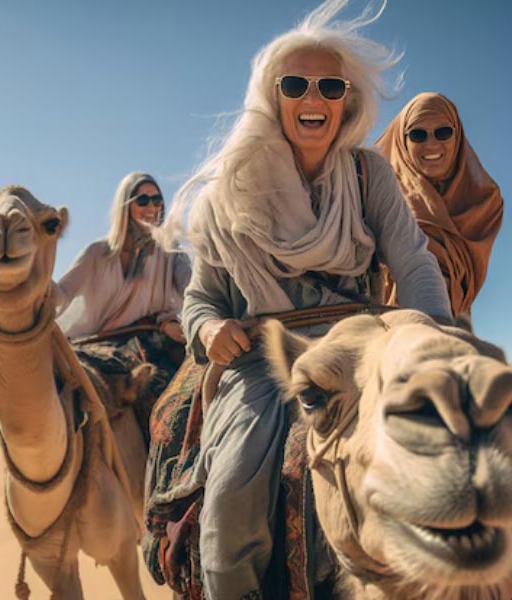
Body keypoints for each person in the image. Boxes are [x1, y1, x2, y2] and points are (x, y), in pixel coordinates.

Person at [155, 1, 453, 597]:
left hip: (357, 344)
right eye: (296, 84)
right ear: (273, 96)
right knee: (235, 490)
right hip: (267, 355)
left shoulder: (369, 174)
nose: (312, 97)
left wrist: (435, 334)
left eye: (329, 85)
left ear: (347, 100)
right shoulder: (226, 192)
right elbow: (202, 299)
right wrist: (211, 330)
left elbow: (413, 259)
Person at [56, 172, 190, 437]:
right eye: (143, 200)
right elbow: (61, 293)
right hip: (99, 344)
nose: (152, 208)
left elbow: (193, 285)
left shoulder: (169, 250)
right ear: (125, 205)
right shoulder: (98, 253)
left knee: (186, 396)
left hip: (153, 341)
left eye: (157, 200)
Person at [374, 92, 504, 322]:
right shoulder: (373, 195)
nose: (431, 144)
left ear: (458, 136)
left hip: (454, 325)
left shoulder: (483, 203)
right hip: (383, 329)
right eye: (418, 135)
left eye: (443, 133)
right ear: (402, 141)